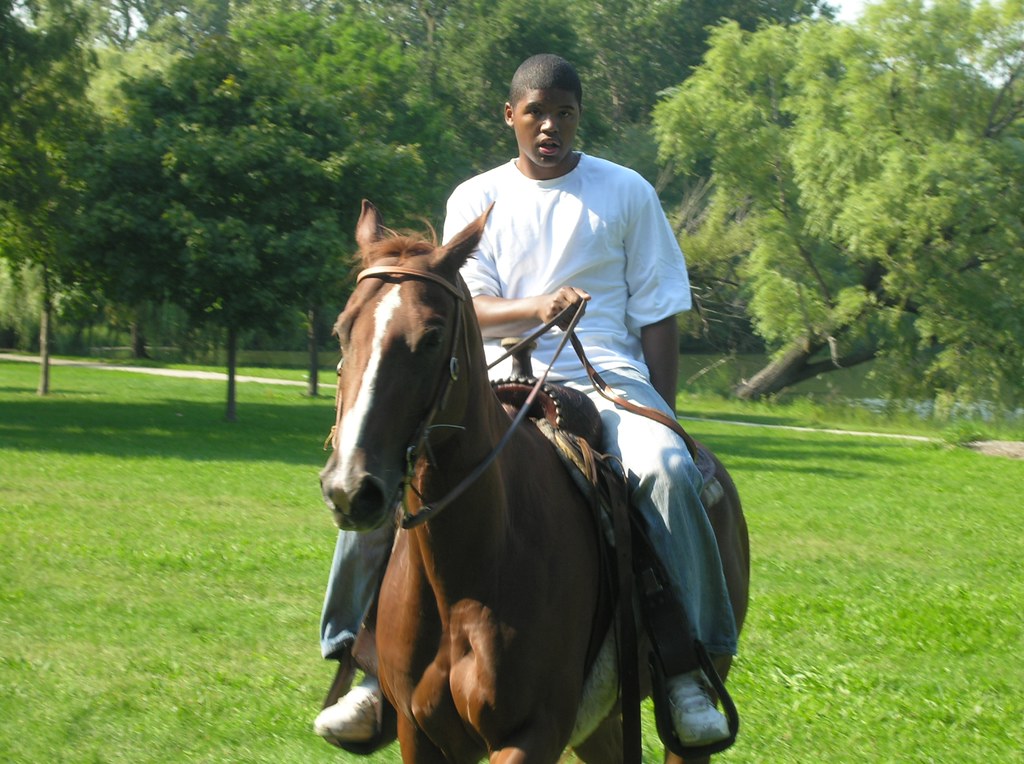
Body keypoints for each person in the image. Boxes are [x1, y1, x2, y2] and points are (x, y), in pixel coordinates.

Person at [314, 53, 738, 749]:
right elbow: (463, 309)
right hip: (491, 373)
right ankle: (365, 671)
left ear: (579, 118)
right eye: (535, 113)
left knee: (664, 470)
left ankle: (687, 668)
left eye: (564, 114)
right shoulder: (475, 197)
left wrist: (662, 411)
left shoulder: (626, 192)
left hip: (603, 370)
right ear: (509, 116)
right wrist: (538, 306)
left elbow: (659, 311)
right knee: (378, 478)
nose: (549, 127)